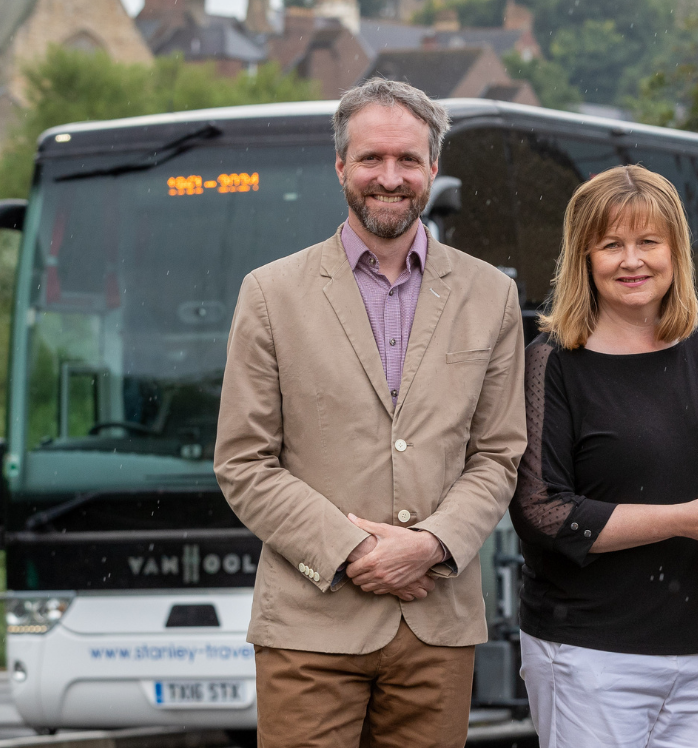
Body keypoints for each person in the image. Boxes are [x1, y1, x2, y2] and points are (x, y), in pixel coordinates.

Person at [214, 78, 525, 747]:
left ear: (433, 168)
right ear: (340, 167)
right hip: (309, 624)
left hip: (436, 625)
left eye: (408, 160)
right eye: (371, 159)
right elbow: (243, 461)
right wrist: (355, 551)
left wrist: (431, 547)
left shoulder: (491, 296)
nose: (390, 177)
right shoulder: (270, 294)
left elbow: (499, 455)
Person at [511, 164, 698, 748]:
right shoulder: (551, 363)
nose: (632, 261)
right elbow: (543, 513)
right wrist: (683, 520)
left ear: (675, 252)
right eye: (612, 245)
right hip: (591, 653)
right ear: (584, 257)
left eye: (648, 242)